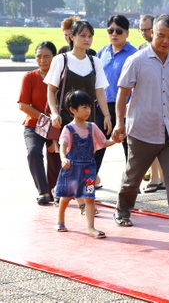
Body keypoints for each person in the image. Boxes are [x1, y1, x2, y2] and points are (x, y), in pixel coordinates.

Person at [111, 14, 169, 233]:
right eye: (161, 35)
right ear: (152, 33)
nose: (166, 41)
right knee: (133, 177)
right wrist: (119, 124)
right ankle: (122, 210)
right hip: (142, 129)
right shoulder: (137, 60)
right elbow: (123, 94)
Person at [45, 20, 111, 216]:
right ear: (71, 37)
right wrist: (55, 113)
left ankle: (68, 194)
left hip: (88, 120)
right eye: (83, 35)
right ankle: (81, 202)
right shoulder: (61, 60)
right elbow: (51, 90)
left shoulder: (95, 61)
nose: (87, 39)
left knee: (84, 160)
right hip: (67, 119)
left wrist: (106, 115)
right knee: (73, 159)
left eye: (90, 36)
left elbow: (99, 91)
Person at [54, 90, 118, 238]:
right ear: (72, 110)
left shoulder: (92, 127)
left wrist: (116, 140)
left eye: (89, 107)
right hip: (71, 168)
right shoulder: (68, 129)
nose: (88, 111)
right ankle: (60, 219)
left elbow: (103, 143)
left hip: (88, 169)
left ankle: (91, 227)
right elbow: (63, 146)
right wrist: (63, 158)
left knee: (89, 198)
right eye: (84, 107)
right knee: (66, 196)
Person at [94, 15, 138, 188]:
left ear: (127, 33)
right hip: (102, 107)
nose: (114, 34)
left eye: (119, 31)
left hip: (127, 108)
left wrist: (130, 106)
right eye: (110, 30)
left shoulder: (134, 54)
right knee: (97, 146)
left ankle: (131, 187)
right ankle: (89, 182)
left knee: (130, 149)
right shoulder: (102, 52)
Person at [18, 41, 62, 205]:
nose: (42, 60)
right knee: (34, 152)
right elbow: (23, 105)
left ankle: (54, 191)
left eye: (47, 57)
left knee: (55, 157)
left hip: (56, 126)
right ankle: (43, 191)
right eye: (39, 57)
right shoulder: (30, 77)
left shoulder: (61, 78)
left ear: (55, 58)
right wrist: (45, 119)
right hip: (33, 124)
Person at [138, 13, 169, 193]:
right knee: (136, 168)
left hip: (168, 117)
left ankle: (162, 179)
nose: (165, 40)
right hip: (145, 117)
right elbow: (125, 91)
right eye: (143, 30)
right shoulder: (139, 56)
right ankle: (154, 177)